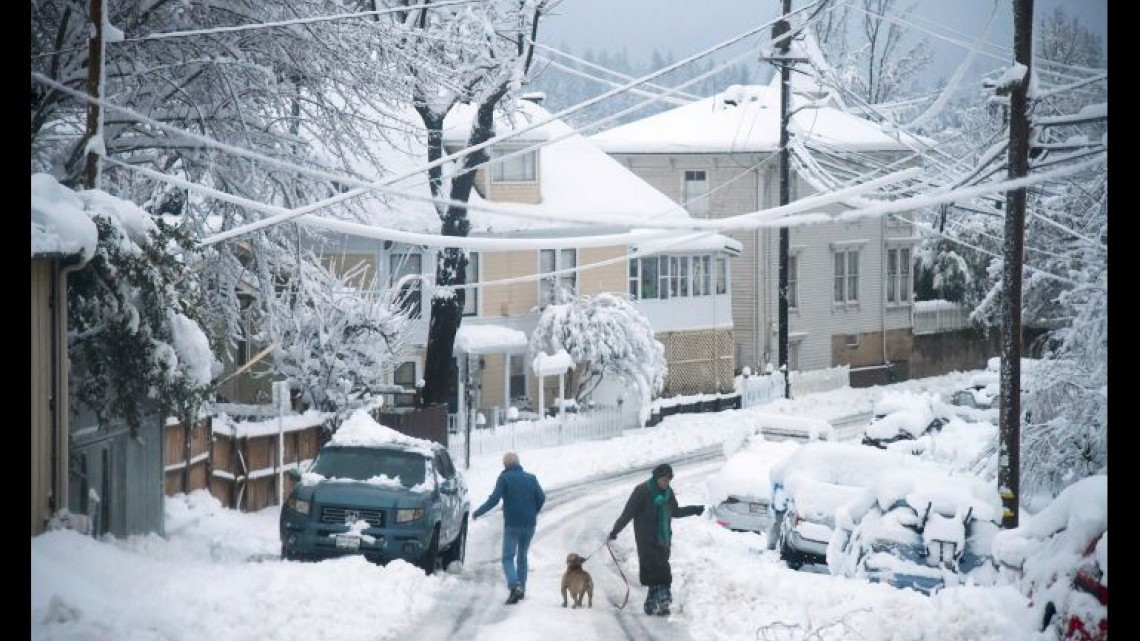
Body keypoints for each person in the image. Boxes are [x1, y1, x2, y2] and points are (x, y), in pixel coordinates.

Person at [609, 463, 704, 616]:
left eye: (669, 478)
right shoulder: (642, 491)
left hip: (663, 539)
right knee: (661, 572)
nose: (666, 481)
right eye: (663, 478)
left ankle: (652, 605)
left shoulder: (668, 493)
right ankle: (664, 602)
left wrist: (694, 509)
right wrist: (615, 530)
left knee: (659, 572)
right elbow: (627, 513)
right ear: (656, 477)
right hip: (646, 539)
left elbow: (675, 511)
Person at [472, 451, 546, 605]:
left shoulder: (504, 478)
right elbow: (541, 497)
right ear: (518, 463)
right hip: (529, 524)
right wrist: (533, 512)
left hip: (512, 524)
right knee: (522, 557)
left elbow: (494, 500)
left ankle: (515, 586)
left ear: (505, 465)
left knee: (507, 557)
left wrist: (478, 512)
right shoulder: (531, 478)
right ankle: (522, 589)